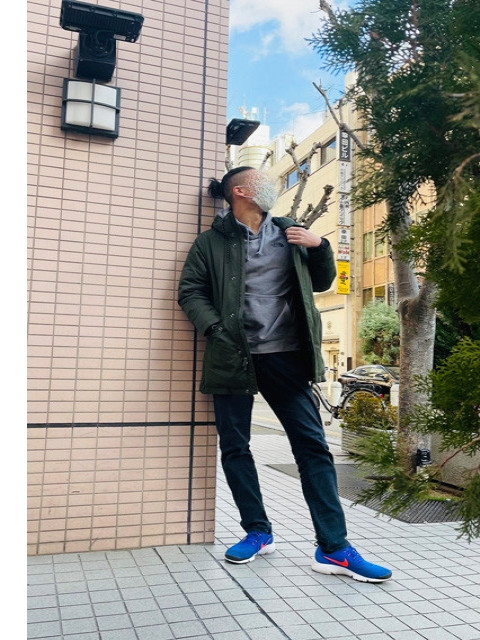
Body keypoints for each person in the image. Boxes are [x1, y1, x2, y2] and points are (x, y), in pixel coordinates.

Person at [178, 166, 392, 583]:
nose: (272, 186)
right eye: (263, 180)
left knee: (312, 447)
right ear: (241, 191)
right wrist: (217, 330)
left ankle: (334, 547)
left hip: (287, 357)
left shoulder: (290, 231)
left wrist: (320, 245)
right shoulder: (210, 243)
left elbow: (322, 281)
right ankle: (258, 532)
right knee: (236, 447)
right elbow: (190, 291)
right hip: (232, 356)